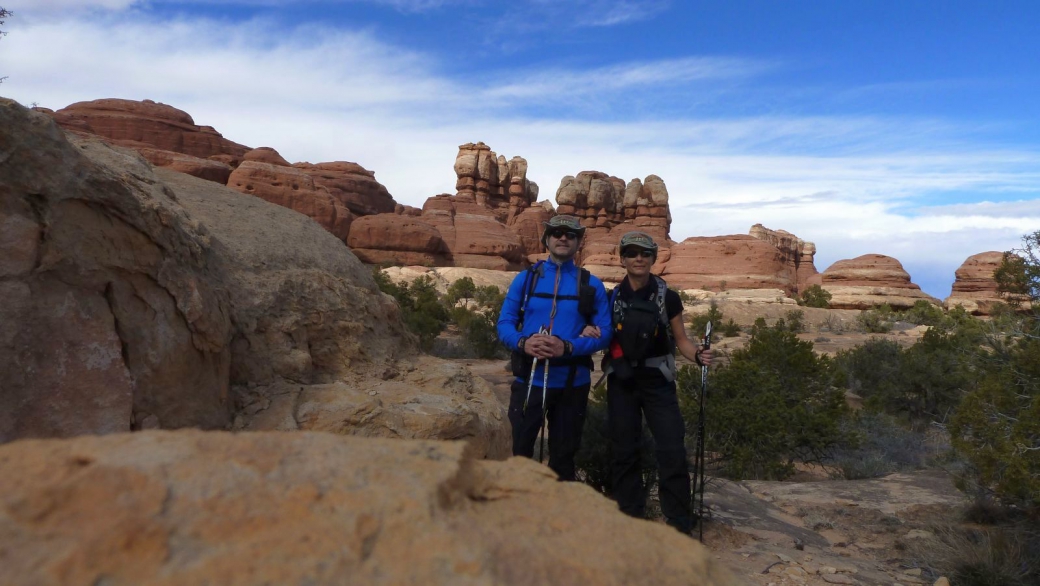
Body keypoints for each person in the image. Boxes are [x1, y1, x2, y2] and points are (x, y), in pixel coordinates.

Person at [602, 231, 713, 534]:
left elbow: (682, 341)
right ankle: (629, 520)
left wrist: (698, 354)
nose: (639, 258)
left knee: (671, 449)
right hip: (622, 379)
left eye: (645, 253)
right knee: (624, 450)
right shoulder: (611, 297)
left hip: (657, 381)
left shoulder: (668, 296)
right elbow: (602, 336)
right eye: (632, 253)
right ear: (622, 258)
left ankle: (678, 524)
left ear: (653, 258)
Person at [497, 215, 612, 481]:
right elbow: (505, 323)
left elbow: (605, 334)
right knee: (518, 453)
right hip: (529, 379)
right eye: (557, 233)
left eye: (570, 235)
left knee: (564, 459)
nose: (563, 238)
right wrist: (523, 342)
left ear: (578, 243)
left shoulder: (591, 284)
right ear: (546, 239)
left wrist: (569, 346)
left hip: (573, 384)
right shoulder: (526, 280)